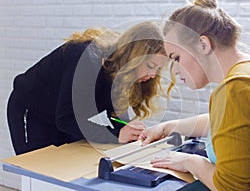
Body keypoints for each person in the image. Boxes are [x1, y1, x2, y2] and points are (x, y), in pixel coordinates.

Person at [138, 0, 250, 191]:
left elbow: (232, 188)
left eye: (177, 58)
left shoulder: (238, 88)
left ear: (203, 45)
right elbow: (230, 122)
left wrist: (191, 162)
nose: (175, 70)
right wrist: (168, 127)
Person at [7, 21, 172, 155]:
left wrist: (128, 130)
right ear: (133, 57)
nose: (153, 74)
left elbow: (113, 114)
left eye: (158, 68)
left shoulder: (122, 73)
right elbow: (67, 119)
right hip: (32, 111)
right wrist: (117, 135)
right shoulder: (86, 59)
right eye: (150, 65)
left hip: (62, 116)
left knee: (65, 171)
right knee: (38, 172)